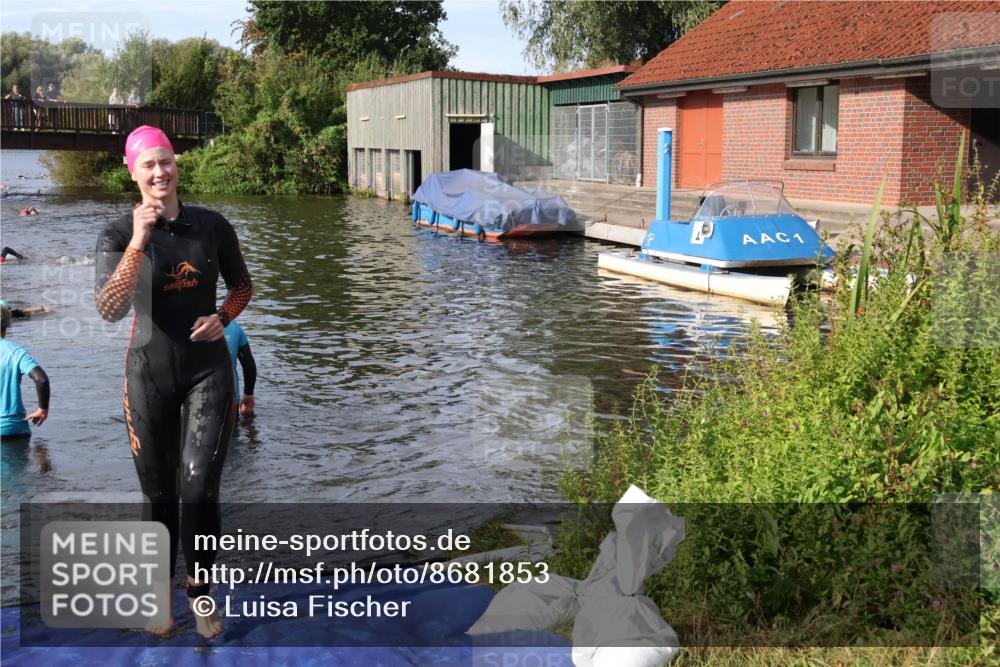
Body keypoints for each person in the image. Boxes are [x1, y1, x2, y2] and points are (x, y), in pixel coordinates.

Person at [95, 125, 252, 640]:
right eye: (148, 165)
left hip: (208, 369)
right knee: (159, 495)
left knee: (199, 487)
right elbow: (110, 310)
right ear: (132, 171)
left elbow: (243, 285)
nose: (159, 172)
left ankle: (200, 593)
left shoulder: (210, 226)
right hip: (148, 375)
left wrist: (224, 317)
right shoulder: (117, 234)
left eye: (166, 161)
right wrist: (140, 240)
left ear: (177, 164)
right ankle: (159, 598)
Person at [1, 303, 50, 442]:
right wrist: (43, 409)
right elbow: (41, 379)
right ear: (9, 323)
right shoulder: (16, 352)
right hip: (13, 430)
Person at [223, 320, 256, 417]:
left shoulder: (188, 325)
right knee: (233, 430)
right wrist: (248, 394)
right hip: (231, 397)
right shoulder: (234, 327)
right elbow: (249, 366)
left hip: (198, 397)